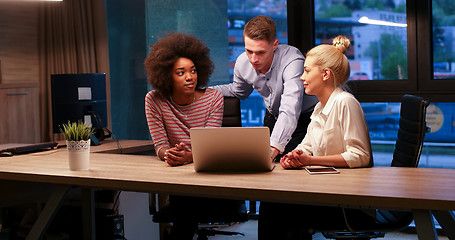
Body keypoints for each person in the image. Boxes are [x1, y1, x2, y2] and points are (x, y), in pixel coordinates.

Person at [258, 36, 374, 240]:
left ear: (326, 74)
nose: (301, 77)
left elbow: (360, 156)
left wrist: (310, 161)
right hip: (329, 191)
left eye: (307, 71)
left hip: (348, 204)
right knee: (272, 202)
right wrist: (295, 155)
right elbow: (307, 145)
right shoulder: (320, 107)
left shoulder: (345, 102)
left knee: (278, 208)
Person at [144, 32, 241, 239]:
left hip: (211, 179)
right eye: (180, 72)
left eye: (193, 71)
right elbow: (160, 145)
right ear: (166, 75)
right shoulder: (154, 100)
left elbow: (210, 146)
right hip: (180, 180)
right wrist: (168, 154)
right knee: (184, 204)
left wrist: (189, 156)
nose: (190, 77)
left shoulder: (213, 98)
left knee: (183, 209)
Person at [212, 15, 318, 161]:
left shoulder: (293, 61)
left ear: (274, 45)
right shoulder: (243, 62)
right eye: (249, 51)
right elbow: (238, 91)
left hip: (305, 119)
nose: (253, 59)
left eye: (260, 52)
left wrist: (272, 150)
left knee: (286, 163)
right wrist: (203, 90)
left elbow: (290, 108)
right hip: (272, 117)